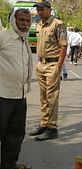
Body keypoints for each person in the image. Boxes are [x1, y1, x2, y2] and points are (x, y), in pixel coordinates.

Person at [29, 0, 68, 141]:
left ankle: (52, 128)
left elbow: (63, 46)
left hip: (52, 65)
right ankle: (44, 124)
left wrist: (58, 67)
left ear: (49, 9)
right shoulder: (39, 25)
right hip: (41, 64)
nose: (39, 12)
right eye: (37, 9)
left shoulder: (58, 25)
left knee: (52, 98)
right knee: (43, 97)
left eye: (41, 9)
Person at [0, 9, 33, 169]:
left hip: (20, 97)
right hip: (2, 96)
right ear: (14, 20)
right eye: (21, 20)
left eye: (28, 21)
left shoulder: (24, 39)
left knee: (15, 136)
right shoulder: (3, 37)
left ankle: (9, 165)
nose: (25, 24)